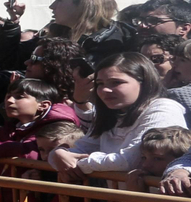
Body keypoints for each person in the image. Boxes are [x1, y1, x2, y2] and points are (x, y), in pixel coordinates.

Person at [50, 53, 187, 178]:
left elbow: (130, 161)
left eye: (117, 82)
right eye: (100, 84)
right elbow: (78, 149)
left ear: (144, 82)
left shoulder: (164, 109)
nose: (105, 90)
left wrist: (79, 163)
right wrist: (59, 153)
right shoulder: (111, 113)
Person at [0, 79, 75, 163]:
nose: (9, 100)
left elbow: (26, 150)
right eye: (8, 96)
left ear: (43, 105)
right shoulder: (11, 128)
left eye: (19, 97)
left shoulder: (57, 127)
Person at [47, 0, 136, 62]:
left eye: (59, 0)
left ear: (84, 5)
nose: (51, 6)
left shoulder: (116, 42)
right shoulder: (57, 34)